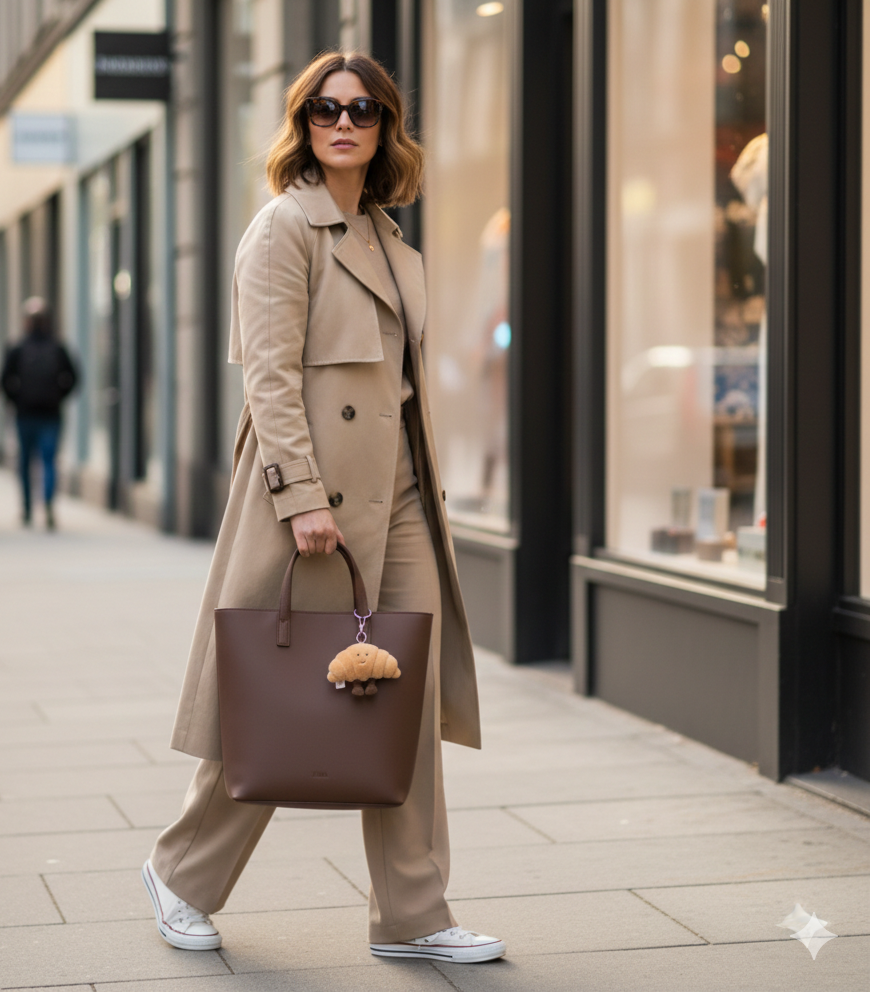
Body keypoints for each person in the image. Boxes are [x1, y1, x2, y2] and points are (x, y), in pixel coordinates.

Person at [142, 52, 504, 965]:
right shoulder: (283, 227)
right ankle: (181, 874)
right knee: (281, 700)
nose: (344, 123)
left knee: (405, 699)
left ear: (387, 127)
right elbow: (268, 378)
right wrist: (300, 496)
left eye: (364, 110)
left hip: (404, 495)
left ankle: (412, 914)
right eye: (325, 109)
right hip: (316, 503)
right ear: (303, 123)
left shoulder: (388, 237)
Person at [1, 298, 78, 530]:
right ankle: (48, 505)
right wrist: (58, 396)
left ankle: (27, 508)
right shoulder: (57, 347)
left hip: (25, 414)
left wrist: (16, 400)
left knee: (25, 462)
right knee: (48, 461)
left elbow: (5, 380)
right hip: (50, 414)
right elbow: (73, 378)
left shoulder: (18, 347)